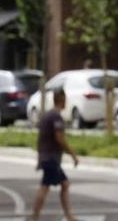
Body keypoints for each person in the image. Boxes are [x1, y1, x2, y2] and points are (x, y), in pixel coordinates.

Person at [31, 89, 79, 221]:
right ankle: (35, 216)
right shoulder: (56, 117)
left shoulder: (47, 115)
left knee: (63, 184)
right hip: (51, 158)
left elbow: (40, 139)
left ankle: (69, 216)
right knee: (45, 186)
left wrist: (39, 158)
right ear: (62, 101)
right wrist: (72, 153)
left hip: (47, 157)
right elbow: (60, 138)